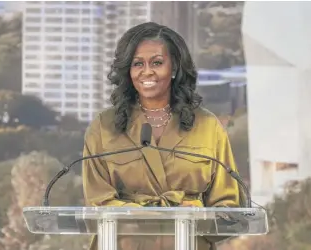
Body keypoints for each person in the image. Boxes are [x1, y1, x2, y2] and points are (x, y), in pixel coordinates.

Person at [82, 22, 244, 250]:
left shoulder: (208, 126)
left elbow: (229, 207)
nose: (147, 71)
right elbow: (98, 201)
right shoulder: (103, 127)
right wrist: (158, 212)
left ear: (175, 67)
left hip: (188, 243)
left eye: (157, 63)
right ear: (128, 70)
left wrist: (197, 213)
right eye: (138, 64)